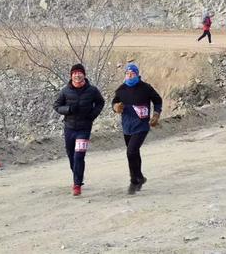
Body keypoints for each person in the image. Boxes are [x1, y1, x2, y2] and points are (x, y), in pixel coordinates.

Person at [53, 64, 105, 196]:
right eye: (74, 73)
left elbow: (100, 102)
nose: (77, 75)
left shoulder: (92, 90)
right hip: (69, 128)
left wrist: (92, 115)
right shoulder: (65, 91)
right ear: (71, 76)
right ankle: (78, 175)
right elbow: (57, 106)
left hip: (84, 128)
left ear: (84, 75)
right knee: (71, 156)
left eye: (79, 73)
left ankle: (77, 184)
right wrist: (68, 110)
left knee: (79, 156)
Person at [111, 63, 163, 194]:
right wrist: (116, 107)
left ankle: (134, 180)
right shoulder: (121, 89)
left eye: (132, 74)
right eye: (128, 74)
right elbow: (114, 102)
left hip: (142, 125)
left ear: (137, 75)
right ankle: (139, 177)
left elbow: (157, 100)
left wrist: (156, 114)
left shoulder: (145, 88)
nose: (130, 76)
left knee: (131, 151)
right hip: (127, 126)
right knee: (133, 153)